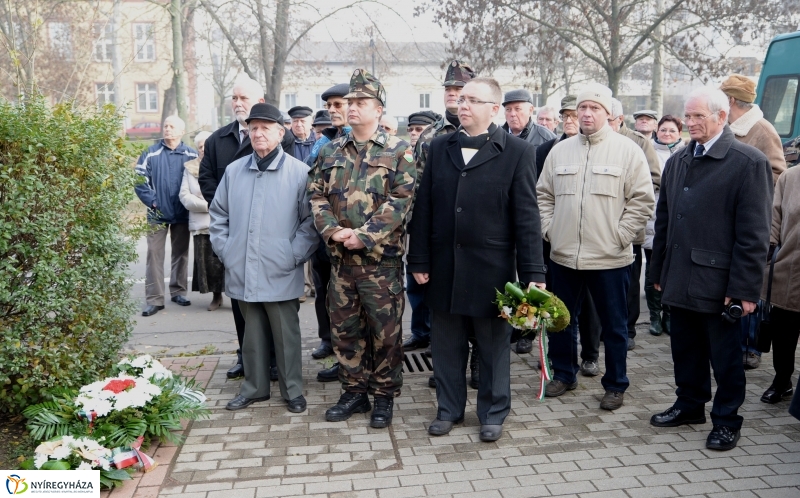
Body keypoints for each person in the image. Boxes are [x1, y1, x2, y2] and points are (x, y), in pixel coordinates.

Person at [409, 77, 545, 442]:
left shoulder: (517, 151)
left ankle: (493, 412)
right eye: (461, 99)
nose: (462, 105)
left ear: (493, 109)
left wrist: (534, 271)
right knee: (446, 345)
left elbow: (527, 216)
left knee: (493, 346)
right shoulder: (439, 147)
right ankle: (449, 410)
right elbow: (424, 208)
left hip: (492, 270)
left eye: (472, 100)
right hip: (445, 267)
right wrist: (419, 260)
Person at [649, 86, 772, 451]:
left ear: (722, 117)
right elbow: (664, 222)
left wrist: (746, 289)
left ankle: (727, 420)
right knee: (684, 349)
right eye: (687, 116)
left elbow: (754, 235)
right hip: (680, 276)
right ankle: (689, 405)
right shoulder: (678, 160)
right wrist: (658, 272)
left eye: (698, 116)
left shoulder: (748, 162)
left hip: (720, 283)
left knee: (725, 358)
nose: (690, 123)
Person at [309, 69, 416, 428]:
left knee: (385, 333)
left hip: (379, 264)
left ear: (378, 109)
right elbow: (316, 195)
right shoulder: (329, 151)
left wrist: (365, 236)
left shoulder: (399, 151)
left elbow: (402, 200)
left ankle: (384, 395)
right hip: (341, 262)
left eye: (361, 102)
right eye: (350, 102)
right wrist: (333, 231)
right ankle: (354, 392)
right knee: (345, 331)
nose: (352, 108)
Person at [537, 83, 654, 411]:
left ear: (608, 114)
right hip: (564, 255)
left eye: (594, 109)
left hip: (610, 258)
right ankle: (564, 373)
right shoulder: (559, 151)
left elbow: (642, 200)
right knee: (561, 319)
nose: (586, 114)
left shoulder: (628, 151)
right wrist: (550, 230)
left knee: (614, 325)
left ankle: (615, 384)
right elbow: (543, 195)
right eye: (581, 110)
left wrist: (620, 236)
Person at [209, 102, 318, 413]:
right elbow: (218, 216)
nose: (257, 134)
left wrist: (292, 255)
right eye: (253, 128)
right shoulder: (234, 171)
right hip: (242, 266)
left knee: (287, 335)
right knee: (252, 334)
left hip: (280, 267)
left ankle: (292, 390)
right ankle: (254, 388)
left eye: (264, 128)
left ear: (279, 133)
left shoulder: (299, 173)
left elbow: (310, 223)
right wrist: (228, 252)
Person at [198, 77, 274, 380]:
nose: (238, 102)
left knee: (275, 303)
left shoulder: (280, 135)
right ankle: (246, 356)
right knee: (241, 303)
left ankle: (275, 360)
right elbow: (207, 181)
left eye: (244, 97)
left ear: (260, 99)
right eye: (234, 98)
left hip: (270, 236)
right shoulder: (218, 140)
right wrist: (231, 212)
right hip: (236, 235)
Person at [411, 60, 479, 390]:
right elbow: (419, 190)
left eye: (460, 91)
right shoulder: (430, 136)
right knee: (443, 309)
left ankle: (480, 361)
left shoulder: (491, 131)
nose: (454, 96)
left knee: (481, 303)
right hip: (443, 235)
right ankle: (446, 367)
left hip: (478, 236)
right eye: (449, 90)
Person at [719, 74, 788, 370]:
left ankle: (751, 347)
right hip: (724, 220)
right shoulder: (726, 128)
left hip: (750, 219)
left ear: (731, 100)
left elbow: (778, 173)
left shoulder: (761, 129)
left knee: (750, 283)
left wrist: (747, 192)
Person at [309, 83, 353, 382]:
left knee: (349, 305)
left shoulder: (362, 143)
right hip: (325, 235)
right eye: (330, 106)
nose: (332, 111)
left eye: (338, 105)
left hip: (353, 241)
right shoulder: (325, 143)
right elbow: (313, 186)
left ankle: (351, 360)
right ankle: (332, 343)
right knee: (325, 293)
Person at [135, 115, 198, 317]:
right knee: (154, 253)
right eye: (165, 126)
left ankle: (178, 291)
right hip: (157, 213)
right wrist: (153, 201)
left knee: (181, 253)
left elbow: (199, 179)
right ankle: (155, 299)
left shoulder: (191, 154)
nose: (167, 129)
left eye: (172, 126)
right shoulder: (151, 153)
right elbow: (139, 180)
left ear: (181, 131)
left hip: (182, 212)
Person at [760, 166, 800, 405]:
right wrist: (768, 248)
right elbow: (774, 218)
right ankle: (782, 381)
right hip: (790, 270)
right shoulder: (791, 177)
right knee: (783, 333)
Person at [645, 115, 685, 336]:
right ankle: (654, 316)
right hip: (653, 218)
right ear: (656, 131)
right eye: (663, 130)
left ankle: (669, 314)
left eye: (671, 131)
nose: (667, 134)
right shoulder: (648, 151)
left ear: (679, 133)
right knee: (653, 270)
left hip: (676, 219)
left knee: (673, 271)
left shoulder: (686, 153)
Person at [179, 131, 224, 311]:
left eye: (207, 145)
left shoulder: (222, 164)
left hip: (223, 220)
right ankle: (216, 295)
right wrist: (209, 205)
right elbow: (184, 195)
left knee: (226, 261)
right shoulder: (190, 168)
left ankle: (234, 295)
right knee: (207, 263)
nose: (204, 149)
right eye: (200, 146)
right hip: (202, 222)